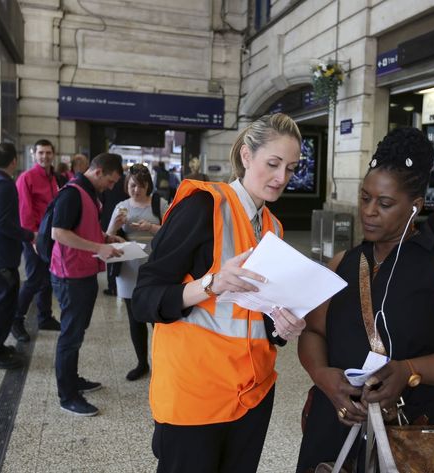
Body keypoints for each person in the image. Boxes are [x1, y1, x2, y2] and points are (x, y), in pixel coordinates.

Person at [296, 127, 434, 472]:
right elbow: (313, 333)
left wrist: (410, 370)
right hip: (334, 427)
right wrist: (322, 375)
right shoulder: (344, 262)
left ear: (415, 207)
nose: (370, 211)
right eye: (365, 198)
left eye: (385, 203)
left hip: (411, 437)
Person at [132, 113, 307, 473]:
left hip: (253, 395)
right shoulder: (203, 206)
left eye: (290, 169)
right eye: (273, 164)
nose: (281, 178)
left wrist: (283, 327)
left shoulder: (272, 227)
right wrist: (211, 284)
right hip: (196, 394)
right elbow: (145, 298)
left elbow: (257, 317)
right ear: (246, 156)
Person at [50, 153, 125, 416]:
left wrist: (106, 238)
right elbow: (58, 232)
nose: (112, 187)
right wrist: (98, 247)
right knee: (70, 336)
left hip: (83, 272)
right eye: (111, 181)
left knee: (77, 332)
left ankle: (73, 379)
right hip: (70, 274)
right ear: (99, 171)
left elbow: (82, 228)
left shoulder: (88, 193)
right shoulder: (72, 193)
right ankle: (67, 395)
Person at [106, 164, 169, 381]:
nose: (136, 190)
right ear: (127, 185)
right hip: (128, 267)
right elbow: (108, 237)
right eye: (132, 186)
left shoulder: (159, 204)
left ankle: (163, 362)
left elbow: (174, 230)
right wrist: (114, 226)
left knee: (156, 318)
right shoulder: (121, 207)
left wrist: (151, 228)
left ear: (148, 185)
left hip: (154, 266)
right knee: (135, 319)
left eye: (141, 186)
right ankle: (142, 363)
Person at [0, 143, 35, 369]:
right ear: (14, 161)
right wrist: (28, 235)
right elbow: (3, 223)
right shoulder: (3, 185)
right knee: (4, 305)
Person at [13, 139, 62, 341]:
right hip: (34, 237)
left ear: (53, 155)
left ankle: (45, 317)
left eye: (48, 153)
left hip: (50, 236)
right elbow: (24, 211)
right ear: (33, 154)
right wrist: (33, 239)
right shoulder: (27, 178)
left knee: (47, 278)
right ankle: (16, 320)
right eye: (41, 153)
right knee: (33, 279)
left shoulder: (53, 178)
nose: (45, 156)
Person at [99, 167, 129, 297]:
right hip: (124, 218)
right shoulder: (126, 181)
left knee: (111, 253)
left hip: (109, 220)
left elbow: (101, 202)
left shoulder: (106, 182)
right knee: (123, 251)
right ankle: (122, 283)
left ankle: (112, 286)